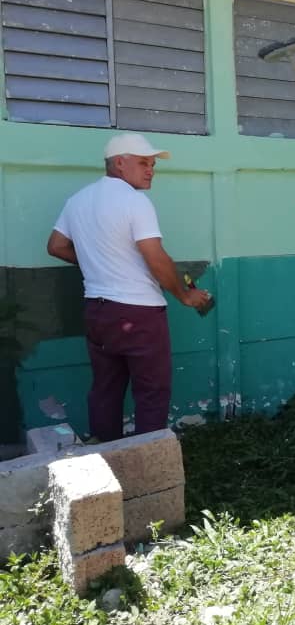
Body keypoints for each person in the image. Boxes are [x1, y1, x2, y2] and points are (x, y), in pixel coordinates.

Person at [45, 133, 211, 442]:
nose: (151, 170)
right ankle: (148, 473)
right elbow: (156, 257)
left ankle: (106, 462)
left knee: (106, 390)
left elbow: (55, 246)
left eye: (152, 165)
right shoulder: (135, 201)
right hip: (140, 314)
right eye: (144, 163)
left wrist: (98, 263)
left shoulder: (78, 200)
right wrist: (184, 294)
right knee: (151, 393)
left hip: (98, 311)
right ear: (120, 163)